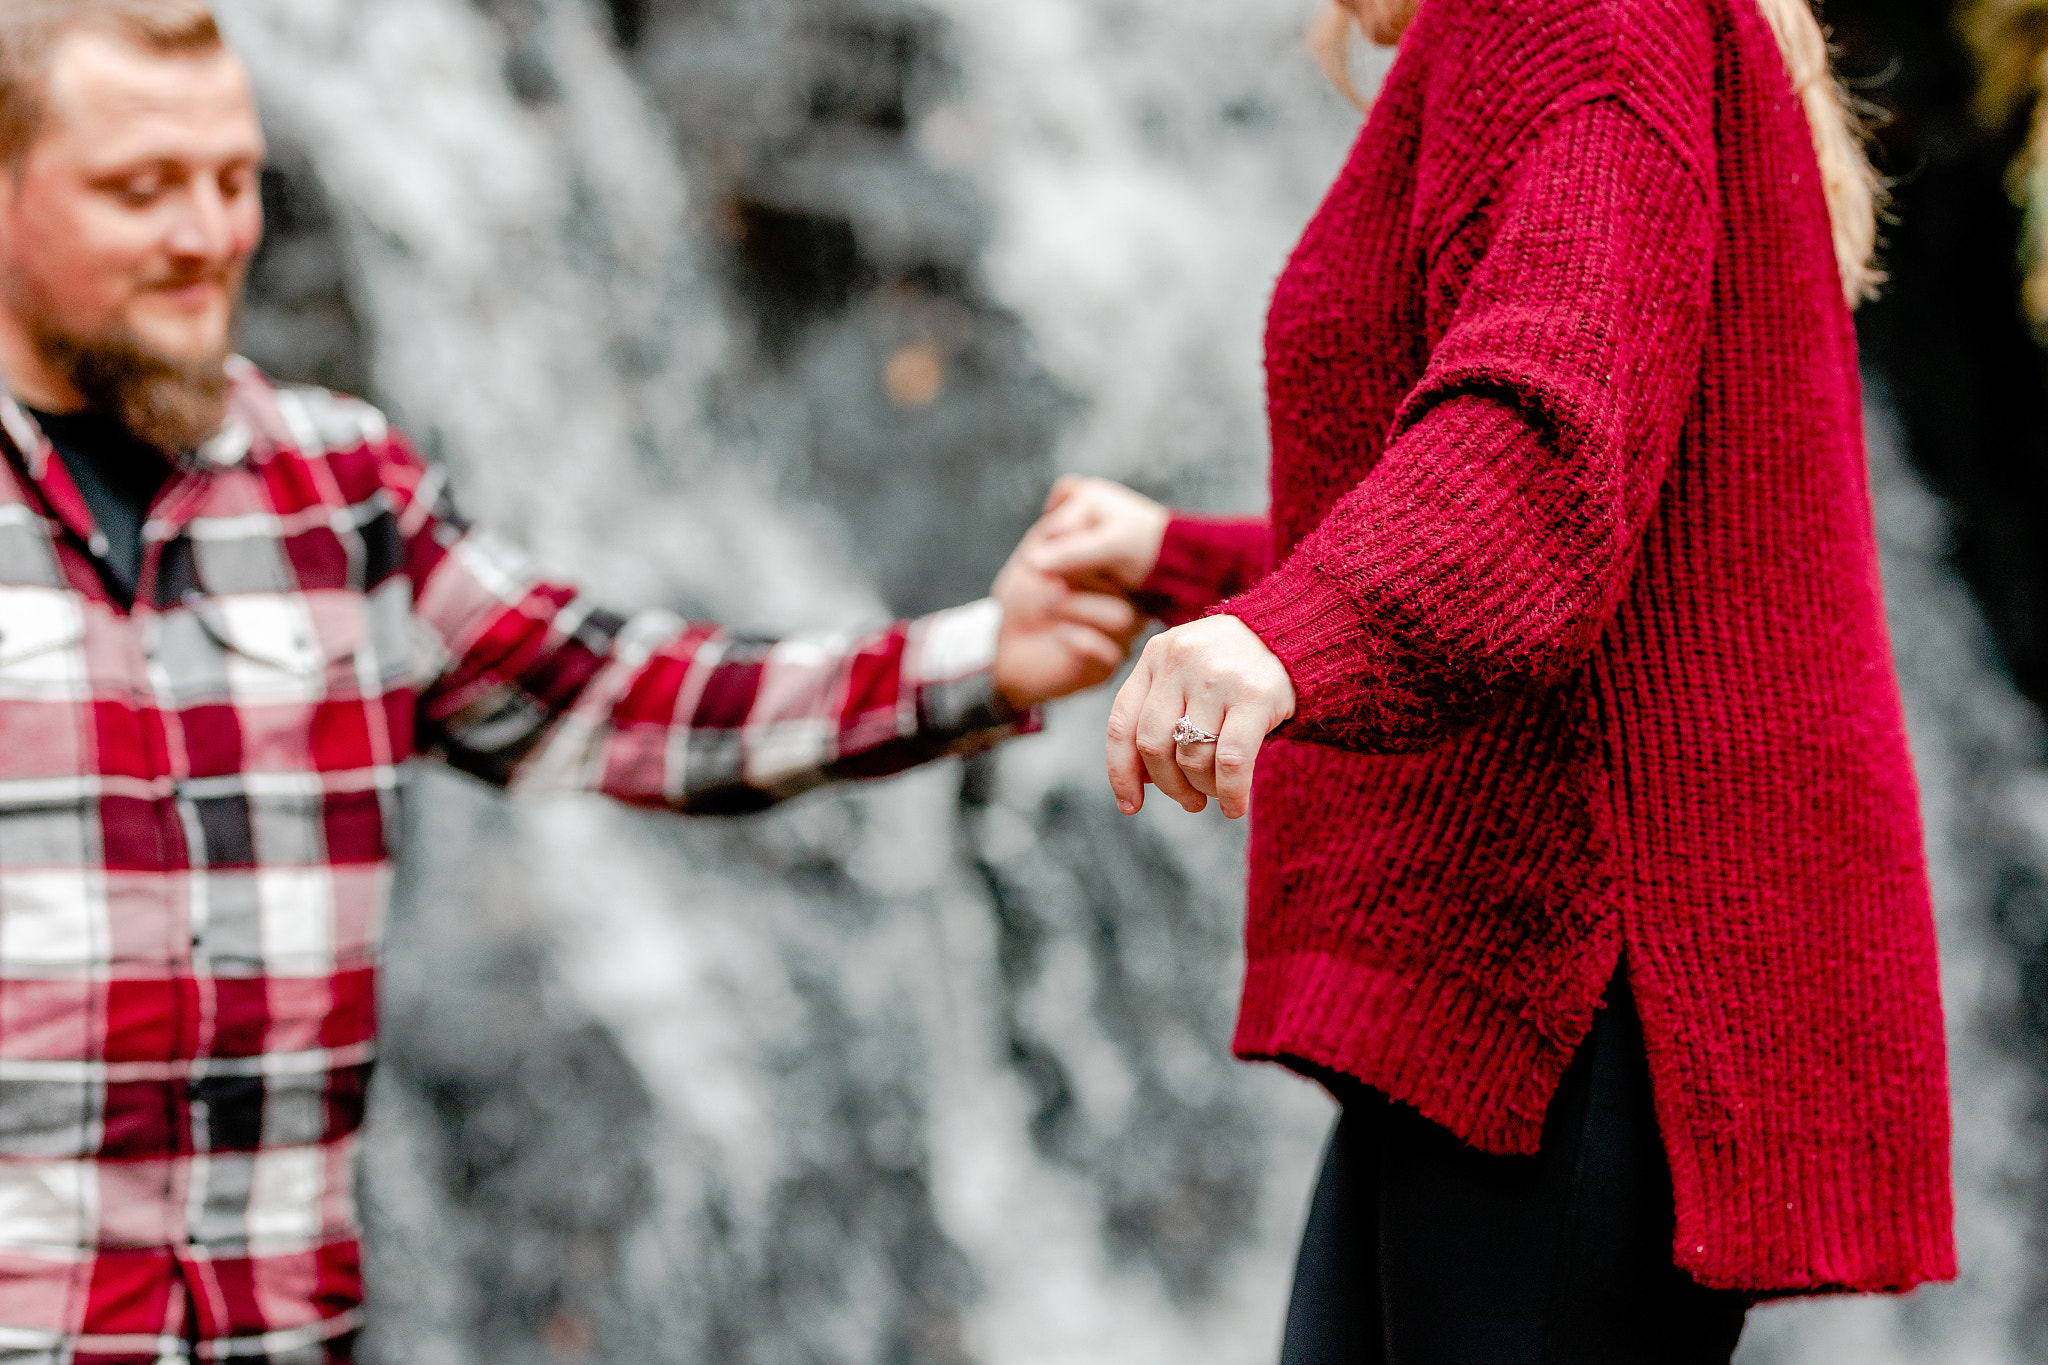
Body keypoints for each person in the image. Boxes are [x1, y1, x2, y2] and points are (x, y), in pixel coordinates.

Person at [0, 3, 1140, 1361]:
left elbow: (624, 698)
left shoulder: (337, 489)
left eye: (234, 178)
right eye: (143, 189)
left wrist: (980, 657)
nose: (209, 234)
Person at [1027, 0, 1954, 1359]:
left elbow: (1540, 445)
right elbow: (1607, 504)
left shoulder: (1585, 14)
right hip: (1502, 997)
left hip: (1580, 987)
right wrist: (1192, 569)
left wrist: (1294, 632)